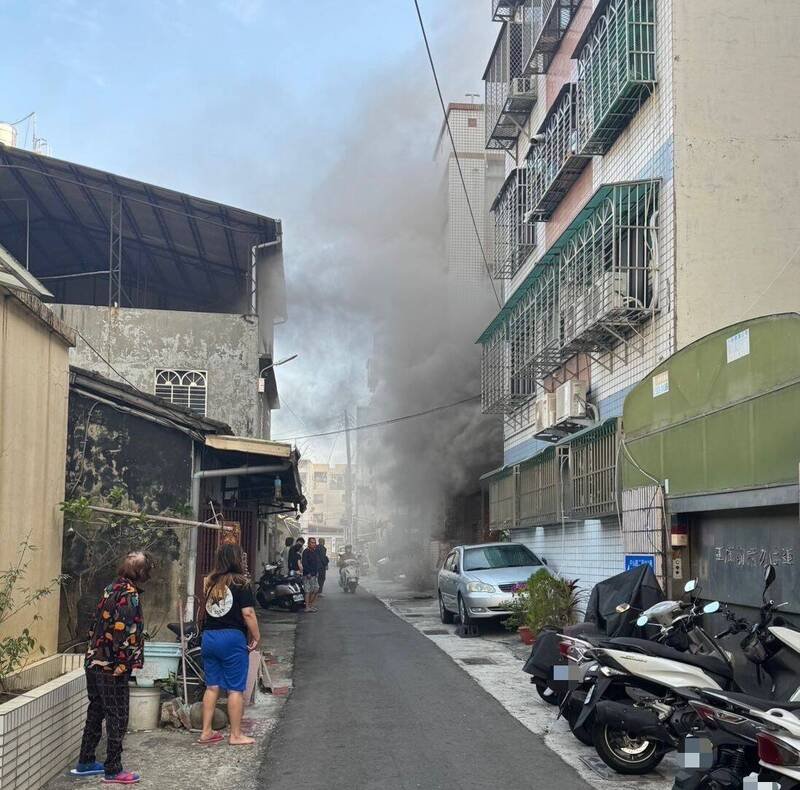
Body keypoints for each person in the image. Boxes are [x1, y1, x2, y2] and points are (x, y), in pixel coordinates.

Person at [74, 550, 153, 784]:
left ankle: (86, 761)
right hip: (112, 666)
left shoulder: (110, 588)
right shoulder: (129, 595)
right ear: (141, 573)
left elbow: (93, 625)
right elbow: (122, 631)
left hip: (94, 660)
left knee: (96, 710)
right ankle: (113, 769)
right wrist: (122, 662)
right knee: (118, 715)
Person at [198, 542, 261, 747]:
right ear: (236, 559)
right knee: (235, 689)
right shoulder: (242, 582)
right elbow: (248, 613)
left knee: (212, 686)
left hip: (209, 637)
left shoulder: (209, 581)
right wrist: (256, 635)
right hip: (232, 638)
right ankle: (235, 735)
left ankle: (206, 731)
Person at [301, 537, 321, 612]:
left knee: (316, 589)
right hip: (308, 575)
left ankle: (310, 605)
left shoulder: (315, 551)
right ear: (308, 543)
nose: (313, 544)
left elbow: (316, 563)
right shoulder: (306, 552)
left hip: (314, 574)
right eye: (312, 542)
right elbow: (304, 563)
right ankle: (307, 607)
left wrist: (317, 572)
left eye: (314, 542)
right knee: (307, 591)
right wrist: (308, 572)